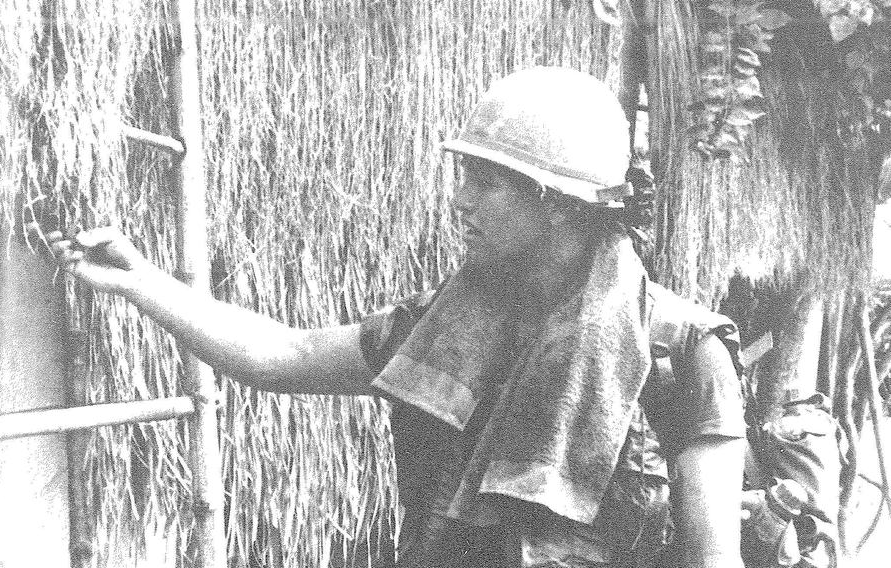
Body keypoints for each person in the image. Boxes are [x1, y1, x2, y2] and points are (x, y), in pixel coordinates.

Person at [40, 67, 746, 568]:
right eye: (463, 176)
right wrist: (138, 281)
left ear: (558, 202)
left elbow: (714, 559)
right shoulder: (444, 330)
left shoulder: (682, 353)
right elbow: (280, 356)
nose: (460, 201)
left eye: (488, 182)